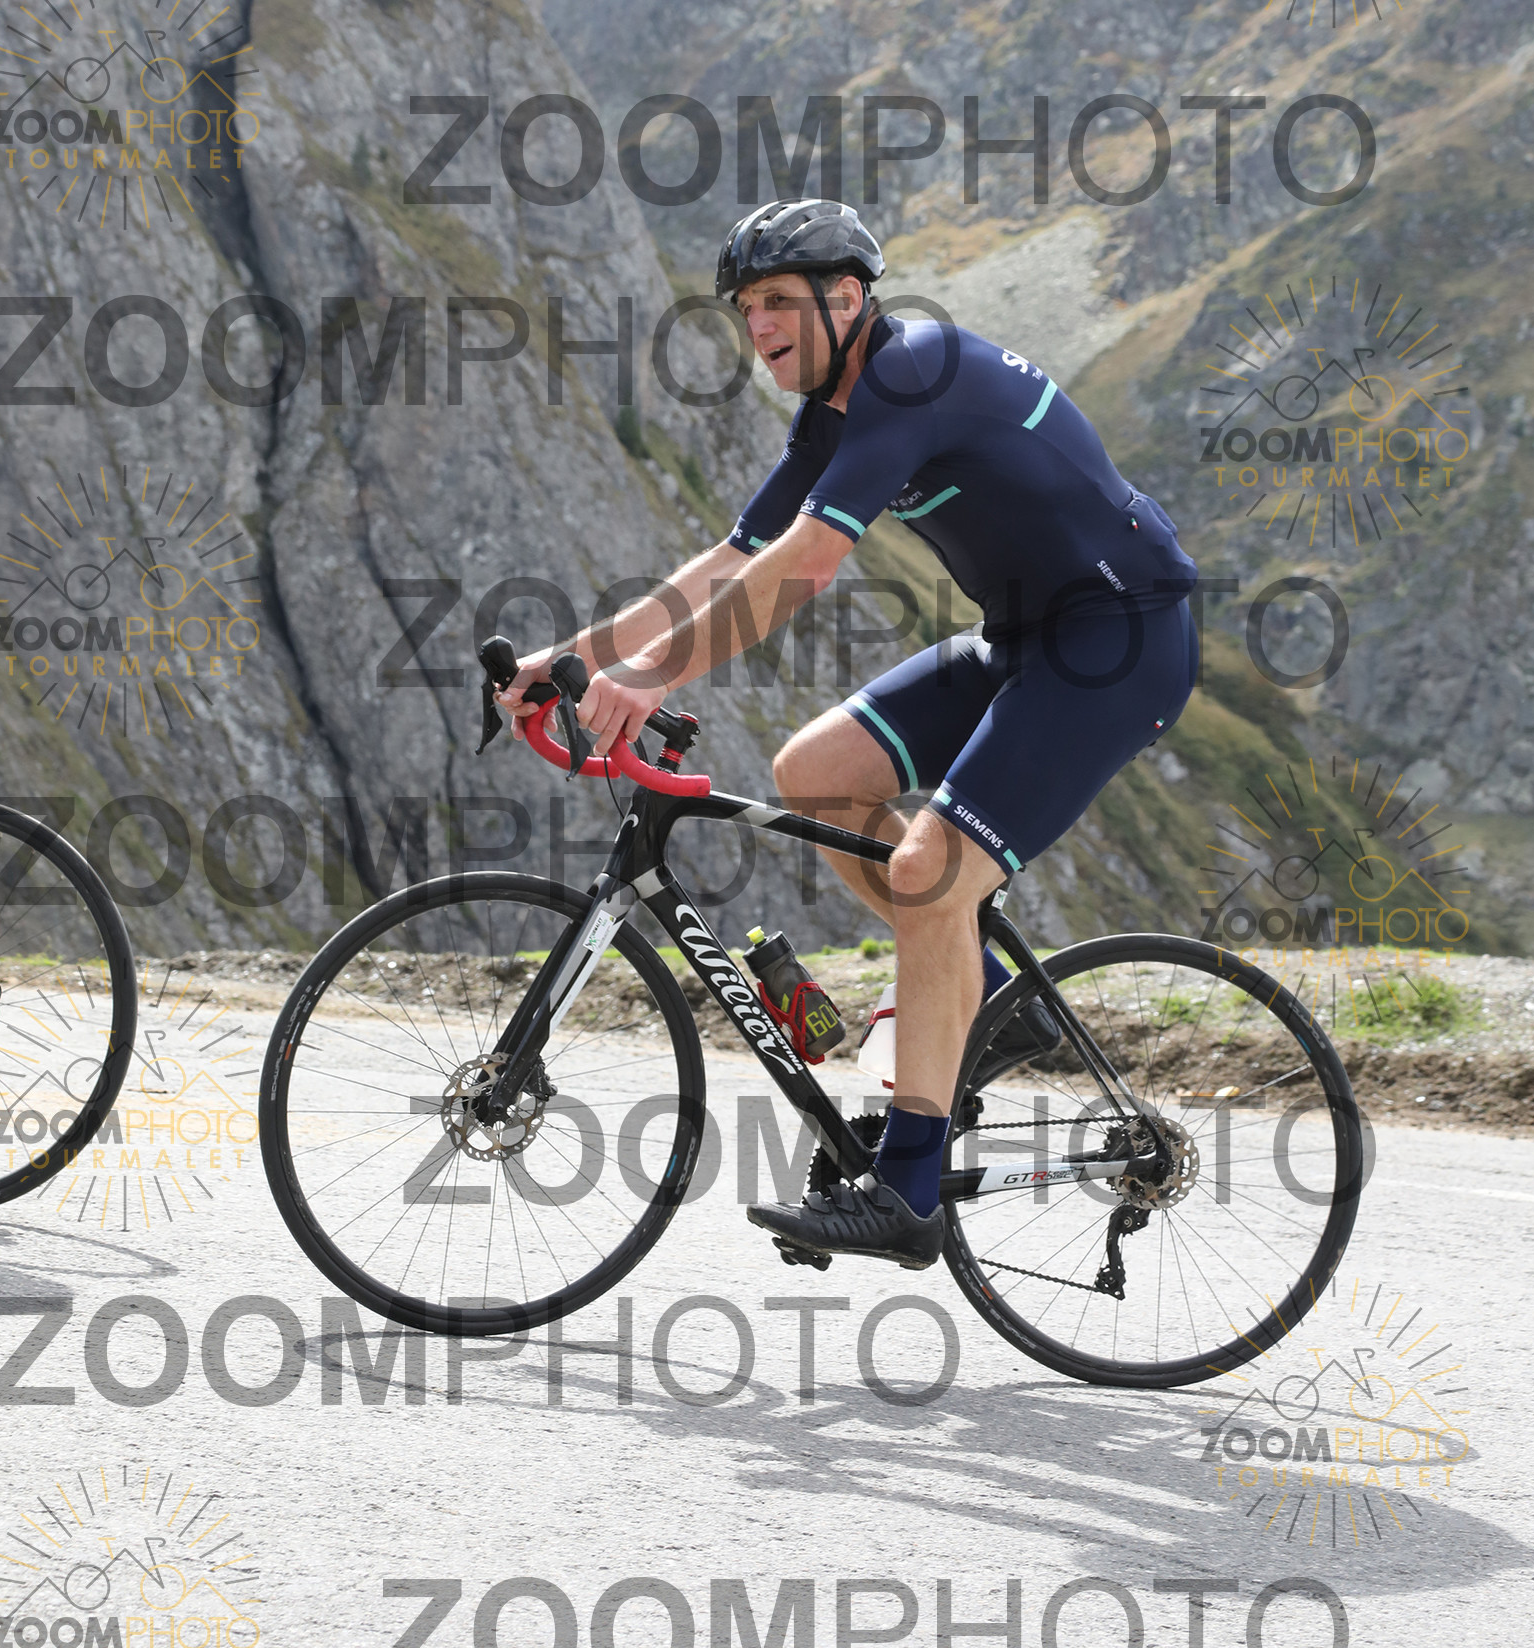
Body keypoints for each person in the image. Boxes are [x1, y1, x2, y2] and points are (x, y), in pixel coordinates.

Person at [498, 198, 1198, 1270]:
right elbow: (734, 561)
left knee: (926, 873)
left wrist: (652, 674)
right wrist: (573, 658)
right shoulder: (833, 410)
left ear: (848, 297)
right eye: (745, 307)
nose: (759, 326)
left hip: (1120, 639)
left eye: (779, 301)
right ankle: (980, 1001)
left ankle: (908, 1194)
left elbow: (808, 566)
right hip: (1022, 636)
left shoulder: (911, 376)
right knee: (816, 773)